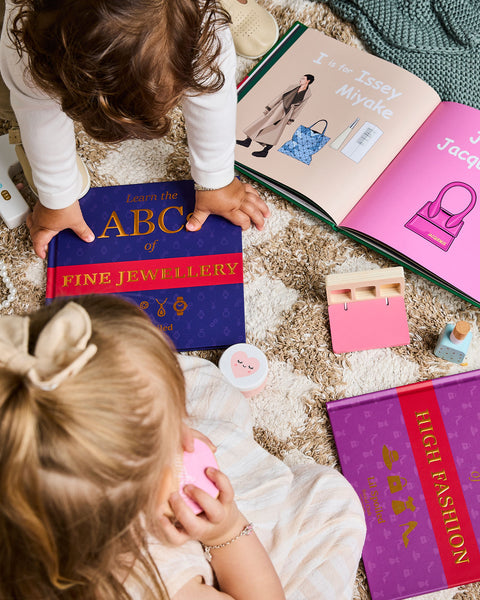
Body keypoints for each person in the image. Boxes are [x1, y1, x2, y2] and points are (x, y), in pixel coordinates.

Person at [0, 294, 366, 599]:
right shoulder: (157, 581)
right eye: (171, 439)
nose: (187, 437)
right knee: (334, 505)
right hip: (225, 552)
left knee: (201, 383)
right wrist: (226, 532)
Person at [0, 0, 270, 260]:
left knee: (206, 60)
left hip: (190, 19)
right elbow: (36, 110)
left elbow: (214, 95)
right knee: (17, 93)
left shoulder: (203, 29)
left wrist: (216, 180)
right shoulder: (26, 42)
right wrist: (57, 198)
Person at [236, 74, 314, 158]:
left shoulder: (307, 94)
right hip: (277, 108)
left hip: (286, 114)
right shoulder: (293, 87)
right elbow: (279, 97)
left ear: (308, 81)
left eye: (303, 78)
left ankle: (265, 151)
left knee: (274, 132)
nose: (300, 79)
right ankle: (247, 141)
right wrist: (269, 106)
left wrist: (291, 119)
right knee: (262, 123)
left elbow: (299, 108)